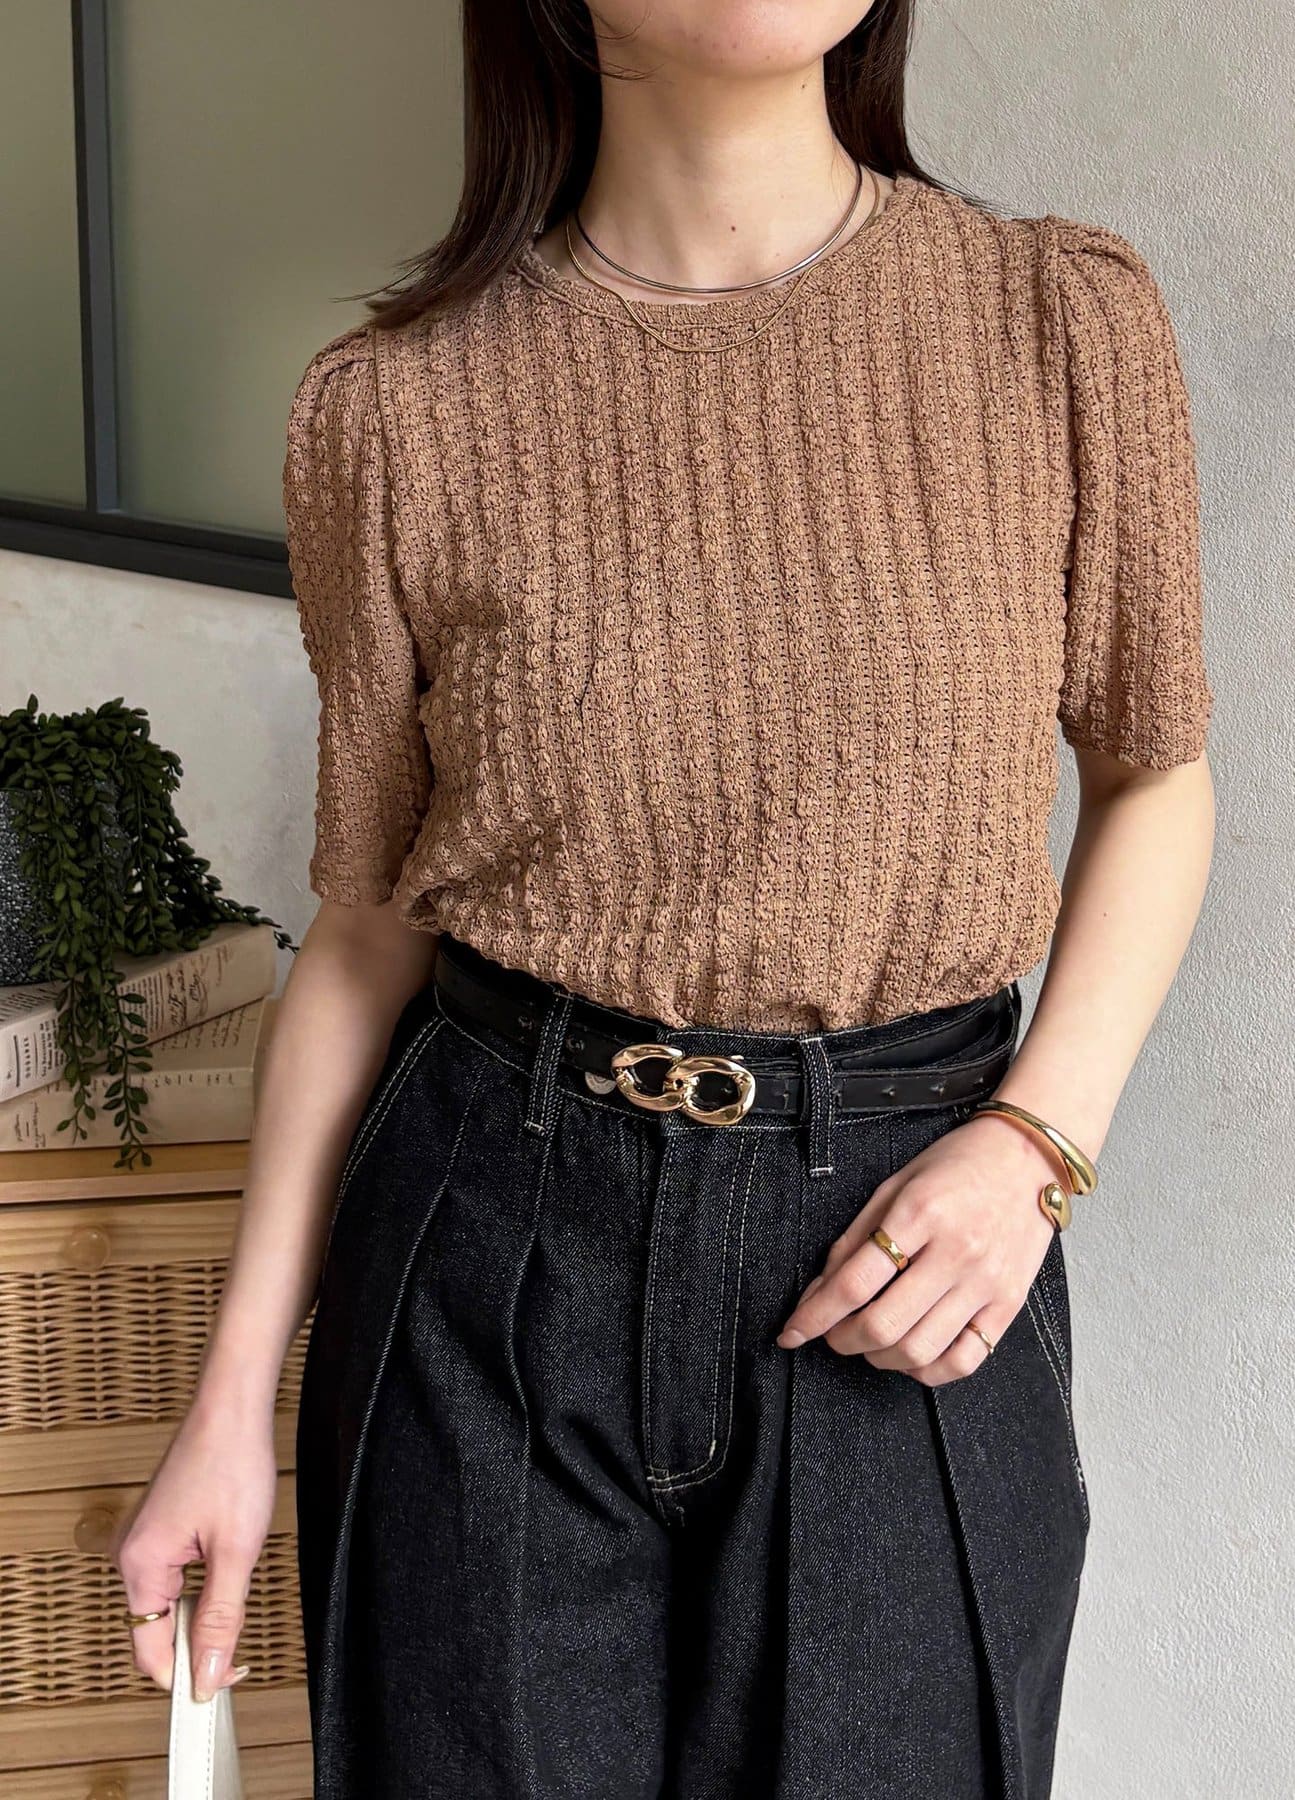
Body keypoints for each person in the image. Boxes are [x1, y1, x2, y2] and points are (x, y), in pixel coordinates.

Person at [112, 2, 1216, 1794]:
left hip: (902, 1248)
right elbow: (370, 927)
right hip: (488, 1250)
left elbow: (1155, 771)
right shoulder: (397, 406)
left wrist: (1040, 1143)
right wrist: (230, 1406)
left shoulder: (1054, 322)